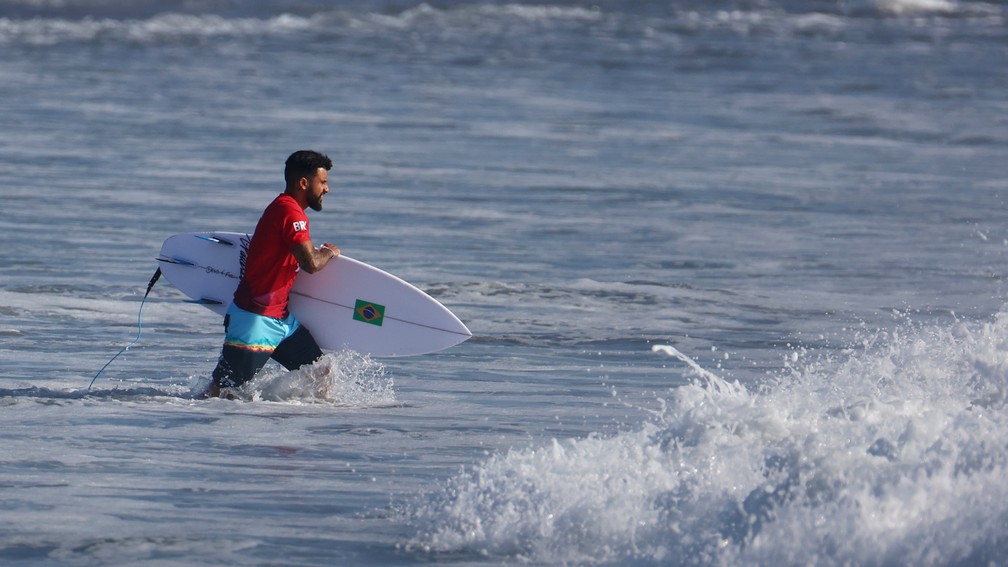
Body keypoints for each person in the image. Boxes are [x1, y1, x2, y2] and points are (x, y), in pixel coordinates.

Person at [205, 150, 340, 398]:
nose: (327, 189)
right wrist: (329, 253)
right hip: (255, 319)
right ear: (303, 183)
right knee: (222, 393)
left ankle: (311, 426)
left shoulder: (284, 210)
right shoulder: (289, 212)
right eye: (323, 182)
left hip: (281, 320)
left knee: (321, 373)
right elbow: (310, 263)